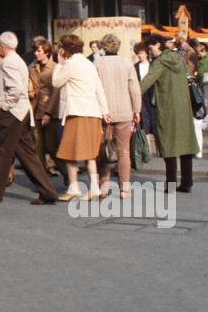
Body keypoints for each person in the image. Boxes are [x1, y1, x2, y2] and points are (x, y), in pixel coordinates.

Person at [0, 32, 58, 207]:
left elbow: (16, 89)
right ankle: (48, 192)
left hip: (12, 113)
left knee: (0, 153)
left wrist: (4, 106)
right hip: (21, 112)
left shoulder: (9, 62)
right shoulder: (17, 60)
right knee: (27, 155)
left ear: (3, 46)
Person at [51, 34, 111, 199]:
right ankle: (94, 188)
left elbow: (56, 82)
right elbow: (99, 88)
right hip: (93, 113)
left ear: (64, 49)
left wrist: (59, 64)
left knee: (70, 152)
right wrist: (105, 112)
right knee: (90, 154)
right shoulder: (88, 63)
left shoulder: (70, 64)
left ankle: (74, 188)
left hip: (77, 113)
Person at [139, 33, 198, 192]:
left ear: (157, 45)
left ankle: (170, 184)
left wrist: (130, 93)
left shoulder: (159, 62)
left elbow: (145, 83)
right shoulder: (178, 58)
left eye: (150, 47)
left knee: (168, 145)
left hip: (167, 108)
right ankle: (187, 183)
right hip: (184, 107)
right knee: (186, 146)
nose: (149, 50)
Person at [94, 33, 141, 199]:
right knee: (123, 151)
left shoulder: (97, 63)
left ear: (102, 46)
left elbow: (94, 88)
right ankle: (124, 189)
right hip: (124, 111)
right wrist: (137, 110)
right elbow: (134, 90)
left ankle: (104, 186)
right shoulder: (126, 63)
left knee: (104, 150)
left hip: (103, 113)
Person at [29, 37, 61, 179]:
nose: (36, 53)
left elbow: (56, 91)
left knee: (52, 147)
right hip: (35, 111)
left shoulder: (55, 68)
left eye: (39, 51)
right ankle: (41, 180)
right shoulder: (32, 68)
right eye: (35, 51)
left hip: (51, 112)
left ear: (47, 52)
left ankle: (66, 173)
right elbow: (30, 85)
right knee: (37, 148)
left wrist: (49, 112)